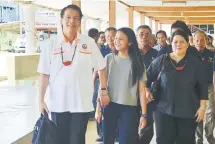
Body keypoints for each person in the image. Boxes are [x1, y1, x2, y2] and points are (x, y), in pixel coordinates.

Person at [37, 4, 106, 144]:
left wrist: (103, 90)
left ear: (80, 21)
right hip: (57, 103)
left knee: (77, 140)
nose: (72, 21)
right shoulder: (50, 44)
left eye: (76, 18)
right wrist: (40, 100)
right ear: (61, 19)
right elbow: (44, 74)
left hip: (81, 103)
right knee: (60, 140)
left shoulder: (88, 42)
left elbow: (101, 66)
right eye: (68, 17)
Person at [146, 30, 208, 144]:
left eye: (182, 42)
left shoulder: (195, 63)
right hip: (163, 110)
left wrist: (202, 108)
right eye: (175, 42)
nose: (178, 45)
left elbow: (202, 86)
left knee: (186, 140)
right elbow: (146, 77)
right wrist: (146, 91)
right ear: (171, 43)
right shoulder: (162, 60)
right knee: (164, 140)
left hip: (188, 110)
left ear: (188, 44)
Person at [95, 27, 148, 144]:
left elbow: (142, 91)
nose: (116, 41)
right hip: (109, 105)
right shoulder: (108, 59)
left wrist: (144, 114)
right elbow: (102, 86)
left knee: (126, 140)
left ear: (129, 42)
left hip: (130, 108)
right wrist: (98, 109)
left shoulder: (137, 63)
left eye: (121, 39)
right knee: (107, 140)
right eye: (116, 38)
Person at [92, 27, 117, 142]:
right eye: (107, 36)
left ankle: (114, 132)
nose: (109, 38)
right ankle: (101, 133)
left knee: (112, 105)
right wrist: (92, 81)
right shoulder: (102, 50)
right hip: (101, 81)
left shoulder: (120, 49)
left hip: (114, 81)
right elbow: (96, 68)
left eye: (112, 36)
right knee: (98, 103)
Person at [193, 31, 215, 144]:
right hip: (194, 87)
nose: (199, 42)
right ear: (193, 41)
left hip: (210, 86)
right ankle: (199, 138)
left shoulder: (212, 54)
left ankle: (209, 134)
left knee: (212, 110)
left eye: (201, 40)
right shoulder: (189, 54)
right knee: (198, 112)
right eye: (197, 40)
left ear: (206, 40)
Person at [136, 25, 158, 144]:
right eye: (141, 34)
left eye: (146, 34)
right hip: (132, 95)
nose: (144, 37)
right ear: (136, 36)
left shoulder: (157, 54)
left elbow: (160, 75)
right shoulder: (131, 53)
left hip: (150, 96)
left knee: (148, 127)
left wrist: (150, 90)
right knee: (132, 126)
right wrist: (144, 89)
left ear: (151, 37)